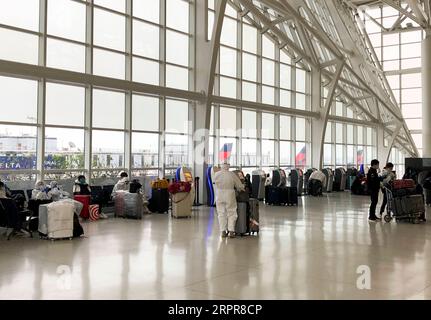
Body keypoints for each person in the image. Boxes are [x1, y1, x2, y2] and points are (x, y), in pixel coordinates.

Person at [214, 162, 245, 239]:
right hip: (229, 194)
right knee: (231, 212)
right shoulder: (231, 174)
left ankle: (223, 231)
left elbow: (214, 183)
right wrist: (242, 187)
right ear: (228, 166)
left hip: (219, 194)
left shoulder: (217, 174)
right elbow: (239, 185)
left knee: (221, 213)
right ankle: (231, 231)